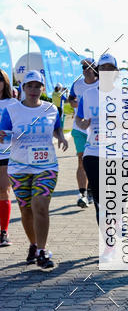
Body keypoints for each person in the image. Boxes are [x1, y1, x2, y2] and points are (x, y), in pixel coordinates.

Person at [0, 70, 68, 270]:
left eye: (37, 86)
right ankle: (33, 244)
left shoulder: (51, 109)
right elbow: (4, 136)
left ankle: (42, 251)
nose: (33, 90)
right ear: (23, 88)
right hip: (19, 167)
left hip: (46, 166)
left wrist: (61, 137)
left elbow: (57, 127)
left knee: (40, 205)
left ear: (42, 88)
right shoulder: (12, 111)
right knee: (26, 209)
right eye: (29, 86)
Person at [75, 54, 119, 224]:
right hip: (93, 152)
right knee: (101, 201)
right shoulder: (89, 94)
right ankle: (108, 241)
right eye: (103, 68)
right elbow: (79, 118)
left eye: (110, 68)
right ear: (98, 71)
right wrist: (83, 123)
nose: (106, 71)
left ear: (116, 72)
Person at [69, 58, 99, 209]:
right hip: (80, 128)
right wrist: (75, 104)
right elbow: (70, 98)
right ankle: (82, 194)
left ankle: (93, 190)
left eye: (88, 67)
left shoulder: (101, 84)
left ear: (95, 68)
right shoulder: (77, 84)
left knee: (94, 162)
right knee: (81, 159)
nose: (85, 69)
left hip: (97, 131)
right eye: (83, 67)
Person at [0, 69, 19, 246]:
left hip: (6, 153)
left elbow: (20, 129)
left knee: (4, 190)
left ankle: (3, 232)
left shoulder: (12, 103)